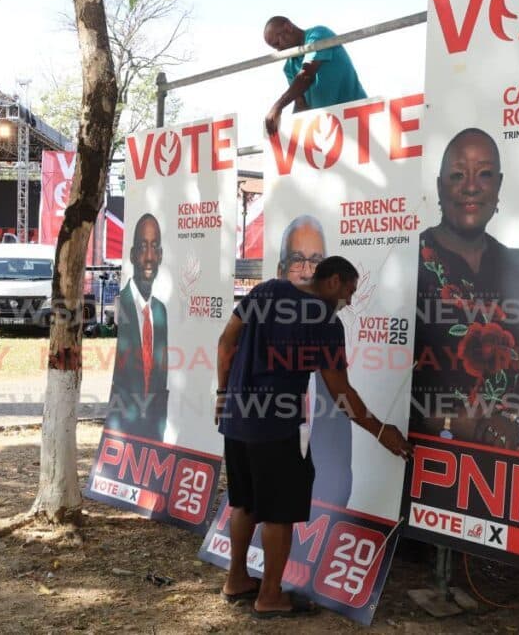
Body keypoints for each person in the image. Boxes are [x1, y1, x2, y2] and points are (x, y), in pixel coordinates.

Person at [215, 257, 411, 618]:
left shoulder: (265, 290)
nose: (349, 302)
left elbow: (226, 340)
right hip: (275, 427)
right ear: (333, 281)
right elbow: (339, 390)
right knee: (277, 514)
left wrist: (222, 394)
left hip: (237, 420)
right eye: (349, 292)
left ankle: (237, 579)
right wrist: (380, 430)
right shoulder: (325, 321)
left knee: (243, 502)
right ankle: (270, 596)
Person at [410, 127, 519, 456]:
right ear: (439, 185)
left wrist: (515, 425)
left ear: (499, 186)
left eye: (485, 174)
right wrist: (455, 425)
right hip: (427, 478)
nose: (472, 186)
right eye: (458, 174)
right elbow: (378, 392)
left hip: (512, 486)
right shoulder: (409, 262)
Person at [277, 216, 353, 508]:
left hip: (319, 494)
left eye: (317, 262)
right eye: (298, 260)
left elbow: (339, 406)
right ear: (280, 270)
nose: (309, 273)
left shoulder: (331, 328)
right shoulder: (258, 318)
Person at [109, 213, 169, 440]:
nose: (149, 257)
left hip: (154, 433)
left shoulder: (161, 311)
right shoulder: (121, 304)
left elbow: (160, 379)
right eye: (143, 247)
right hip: (123, 430)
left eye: (155, 247)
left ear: (161, 256)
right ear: (133, 255)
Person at [262, 16, 366, 136]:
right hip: (329, 130)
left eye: (277, 43)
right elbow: (301, 105)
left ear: (288, 27)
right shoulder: (289, 67)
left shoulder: (319, 34)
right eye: (275, 48)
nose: (279, 50)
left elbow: (306, 75)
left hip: (356, 117)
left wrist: (277, 107)